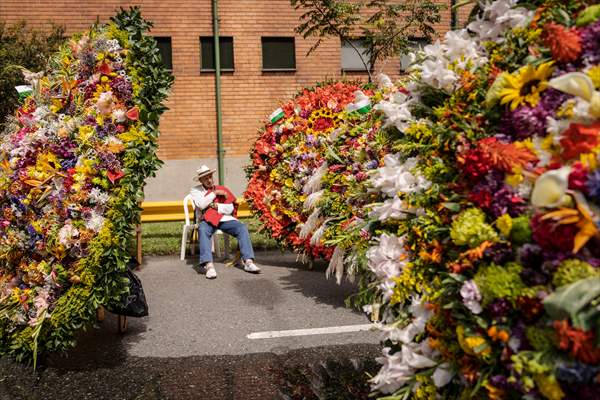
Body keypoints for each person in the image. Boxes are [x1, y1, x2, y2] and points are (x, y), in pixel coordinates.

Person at [190, 165, 260, 279]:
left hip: (223, 219)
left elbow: (230, 208)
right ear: (200, 180)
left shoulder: (222, 188)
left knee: (241, 227)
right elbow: (201, 204)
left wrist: (216, 206)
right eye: (205, 178)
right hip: (206, 220)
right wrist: (215, 193)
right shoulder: (195, 190)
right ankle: (209, 266)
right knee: (203, 229)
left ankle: (248, 262)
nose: (209, 180)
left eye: (210, 177)